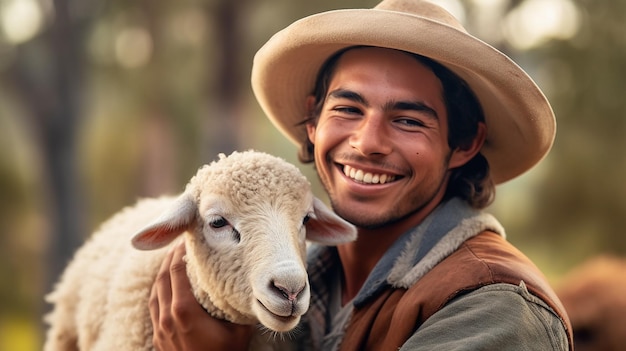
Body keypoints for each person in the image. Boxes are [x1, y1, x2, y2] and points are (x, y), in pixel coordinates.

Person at [149, 0, 573, 349]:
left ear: (464, 144)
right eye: (347, 109)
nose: (367, 142)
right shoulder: (288, 277)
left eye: (408, 120)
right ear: (313, 125)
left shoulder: (496, 310)